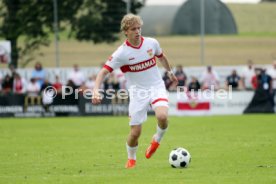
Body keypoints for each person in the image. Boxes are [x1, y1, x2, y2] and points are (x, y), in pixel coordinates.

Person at [92, 14, 178, 169]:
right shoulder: (121, 53)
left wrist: (170, 72)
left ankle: (156, 140)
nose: (137, 31)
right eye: (133, 29)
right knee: (135, 133)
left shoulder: (151, 43)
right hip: (138, 93)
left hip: (156, 86)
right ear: (126, 31)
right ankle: (131, 159)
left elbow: (162, 57)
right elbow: (102, 72)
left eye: (139, 28)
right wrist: (96, 90)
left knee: (162, 116)